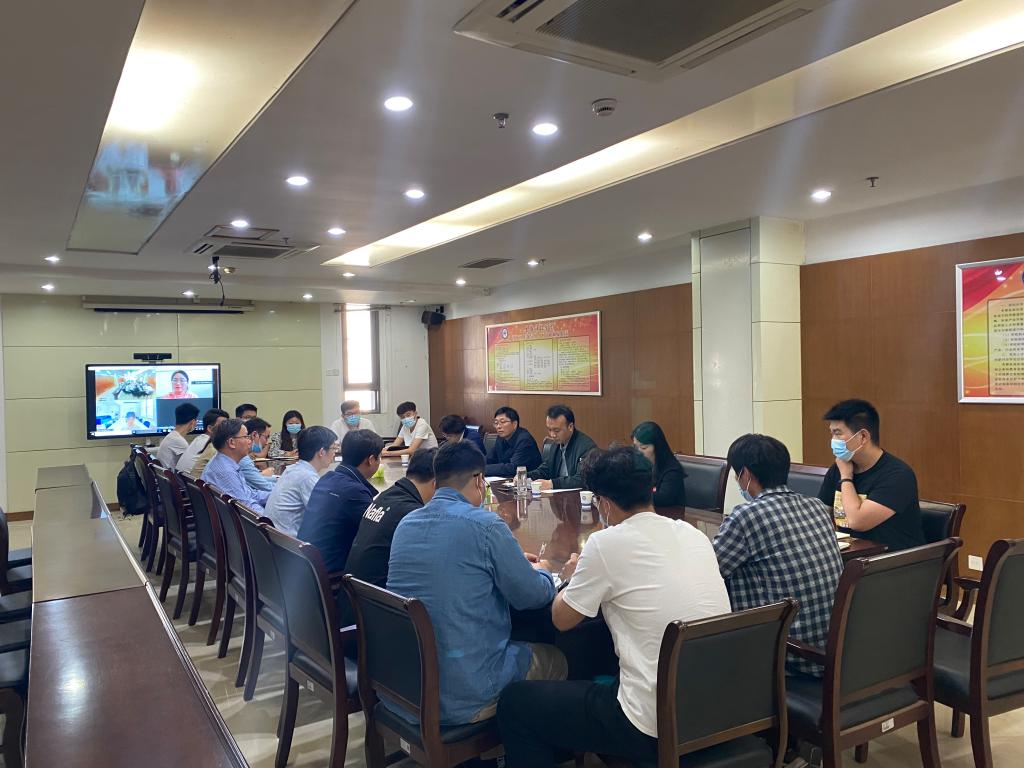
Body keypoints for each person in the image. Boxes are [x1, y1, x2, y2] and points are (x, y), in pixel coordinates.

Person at [498, 447, 730, 767]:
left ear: (604, 504)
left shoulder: (605, 544)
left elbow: (561, 619)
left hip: (651, 725)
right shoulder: (693, 534)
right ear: (650, 489)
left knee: (516, 703)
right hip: (720, 709)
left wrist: (572, 577)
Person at [388, 441, 564, 726]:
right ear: (479, 480)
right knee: (557, 659)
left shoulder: (407, 523)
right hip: (464, 694)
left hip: (406, 687)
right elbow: (531, 596)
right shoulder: (486, 525)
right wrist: (543, 570)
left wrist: (509, 560)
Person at [714, 434, 843, 675]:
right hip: (832, 650)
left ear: (746, 475)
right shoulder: (817, 506)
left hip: (786, 655)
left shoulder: (746, 516)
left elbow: (712, 572)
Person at [339, 447, 437, 626]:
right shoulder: (412, 515)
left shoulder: (385, 496)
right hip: (374, 620)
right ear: (435, 483)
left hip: (352, 605)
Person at [818, 399, 924, 551]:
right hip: (850, 555)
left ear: (863, 436)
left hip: (892, 559)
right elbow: (820, 516)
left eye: (838, 433)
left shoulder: (898, 475)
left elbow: (857, 521)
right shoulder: (839, 468)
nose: (833, 441)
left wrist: (846, 478)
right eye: (832, 433)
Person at [297, 429, 383, 573]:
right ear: (370, 460)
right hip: (329, 575)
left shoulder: (327, 479)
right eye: (379, 458)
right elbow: (374, 535)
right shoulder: (355, 492)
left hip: (306, 566)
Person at [264, 426, 338, 536]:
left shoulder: (293, 469)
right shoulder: (307, 477)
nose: (335, 453)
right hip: (288, 542)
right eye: (333, 448)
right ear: (322, 452)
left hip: (275, 537)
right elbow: (326, 515)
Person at [200, 419, 272, 512]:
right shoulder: (226, 471)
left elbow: (251, 494)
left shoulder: (227, 463)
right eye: (246, 437)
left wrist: (277, 495)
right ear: (231, 442)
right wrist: (272, 517)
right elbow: (247, 509)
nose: (250, 441)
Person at [528, 405, 597, 490]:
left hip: (577, 495)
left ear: (570, 427)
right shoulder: (556, 444)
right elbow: (546, 469)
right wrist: (526, 476)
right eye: (549, 430)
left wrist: (552, 484)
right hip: (558, 495)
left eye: (557, 430)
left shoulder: (586, 447)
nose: (552, 435)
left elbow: (582, 479)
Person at [631, 421, 686, 507]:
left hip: (669, 513)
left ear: (657, 447)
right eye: (635, 447)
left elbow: (663, 498)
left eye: (643, 448)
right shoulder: (638, 465)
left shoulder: (672, 470)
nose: (638, 452)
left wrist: (632, 494)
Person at [485, 406, 542, 477]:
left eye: (503, 422)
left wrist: (484, 469)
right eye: (496, 423)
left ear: (515, 424)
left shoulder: (525, 440)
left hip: (528, 481)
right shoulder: (501, 438)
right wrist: (476, 466)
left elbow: (513, 468)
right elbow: (490, 458)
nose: (498, 426)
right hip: (507, 480)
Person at [177, 408, 229, 474]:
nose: (227, 429)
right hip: (196, 479)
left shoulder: (198, 439)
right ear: (210, 428)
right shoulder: (213, 445)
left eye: (227, 425)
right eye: (223, 426)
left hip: (184, 479)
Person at [237, 417, 276, 493]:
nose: (267, 442)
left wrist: (277, 480)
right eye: (266, 437)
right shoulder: (243, 459)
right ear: (254, 435)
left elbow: (258, 479)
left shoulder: (243, 456)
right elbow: (266, 487)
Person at [157, 402, 199, 469]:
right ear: (192, 422)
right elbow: (191, 468)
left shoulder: (172, 436)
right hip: (171, 475)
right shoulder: (178, 441)